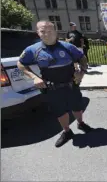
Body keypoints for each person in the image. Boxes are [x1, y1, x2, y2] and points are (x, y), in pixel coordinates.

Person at [17, 20, 93, 148]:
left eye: (50, 31)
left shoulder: (67, 47)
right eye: (43, 31)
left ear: (55, 32)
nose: (47, 34)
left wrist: (82, 72)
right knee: (60, 112)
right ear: (38, 33)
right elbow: (20, 63)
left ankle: (81, 123)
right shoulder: (33, 50)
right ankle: (67, 132)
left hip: (71, 85)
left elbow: (82, 58)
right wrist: (34, 77)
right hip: (52, 89)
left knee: (77, 107)